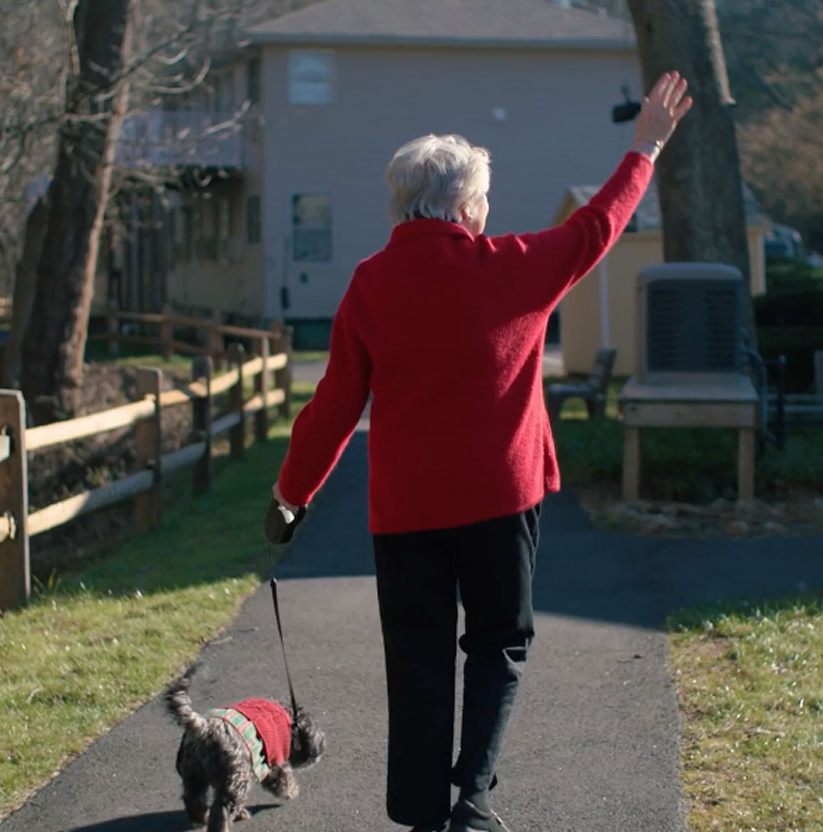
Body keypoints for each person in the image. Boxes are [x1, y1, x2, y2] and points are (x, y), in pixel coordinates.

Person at [270, 72, 694, 832]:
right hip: (502, 501)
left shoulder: (369, 284)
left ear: (402, 204)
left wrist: (292, 495)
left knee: (418, 655)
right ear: (468, 207)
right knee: (498, 644)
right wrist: (646, 148)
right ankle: (474, 798)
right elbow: (600, 226)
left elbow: (334, 403)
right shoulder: (513, 266)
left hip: (405, 513)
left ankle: (419, 809)